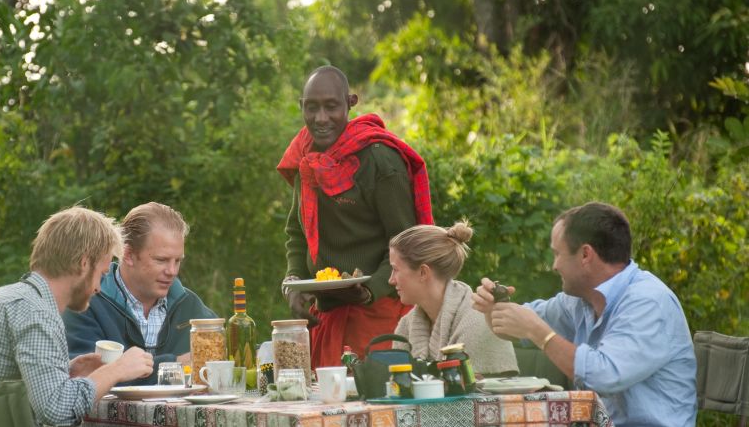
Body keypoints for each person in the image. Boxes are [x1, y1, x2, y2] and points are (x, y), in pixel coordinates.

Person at [471, 202, 696, 426]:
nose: (554, 266)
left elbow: (604, 376)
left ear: (586, 254)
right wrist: (494, 308)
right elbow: (515, 328)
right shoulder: (579, 300)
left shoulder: (647, 302)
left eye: (558, 254)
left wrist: (538, 332)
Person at [276, 65, 434, 368]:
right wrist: (293, 281)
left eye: (331, 106)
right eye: (312, 108)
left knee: (377, 410)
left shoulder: (379, 161)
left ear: (351, 103)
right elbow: (296, 232)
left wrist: (370, 289)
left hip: (380, 313)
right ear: (301, 107)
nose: (321, 118)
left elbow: (408, 244)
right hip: (326, 316)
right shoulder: (305, 160)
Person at [0, 206, 154, 426]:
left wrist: (68, 371)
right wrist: (117, 370)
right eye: (101, 275)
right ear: (83, 263)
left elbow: (8, 382)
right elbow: (57, 411)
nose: (99, 288)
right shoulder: (37, 312)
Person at [63, 202, 216, 385]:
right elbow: (80, 378)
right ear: (127, 254)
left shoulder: (188, 304)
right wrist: (174, 365)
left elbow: (226, 354)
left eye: (177, 261)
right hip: (103, 415)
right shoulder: (86, 301)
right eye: (161, 260)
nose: (172, 271)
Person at [389, 221, 518, 375]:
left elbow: (479, 397)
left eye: (395, 270)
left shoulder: (476, 322)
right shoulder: (406, 327)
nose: (391, 280)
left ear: (423, 272)